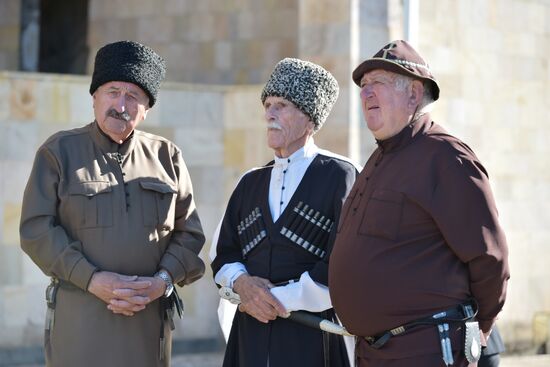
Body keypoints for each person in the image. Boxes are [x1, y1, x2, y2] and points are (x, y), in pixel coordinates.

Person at [19, 40, 206, 367]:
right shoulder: (58, 152)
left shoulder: (168, 157)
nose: (121, 104)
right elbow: (36, 230)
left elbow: (189, 234)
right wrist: (92, 279)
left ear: (146, 108)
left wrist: (160, 283)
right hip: (81, 323)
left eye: (133, 96)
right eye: (112, 91)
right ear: (94, 97)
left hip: (147, 327)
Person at [329, 40, 510, 367]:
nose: (365, 93)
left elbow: (489, 257)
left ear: (413, 93)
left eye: (378, 83)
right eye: (363, 86)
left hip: (424, 350)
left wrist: (480, 328)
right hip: (372, 352)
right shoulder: (377, 159)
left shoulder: (445, 157)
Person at [211, 58, 358, 367]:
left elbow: (344, 263)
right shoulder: (250, 181)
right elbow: (223, 254)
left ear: (310, 119)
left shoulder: (340, 176)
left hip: (311, 336)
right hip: (250, 331)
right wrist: (244, 285)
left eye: (282, 105)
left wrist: (280, 299)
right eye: (267, 105)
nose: (269, 114)